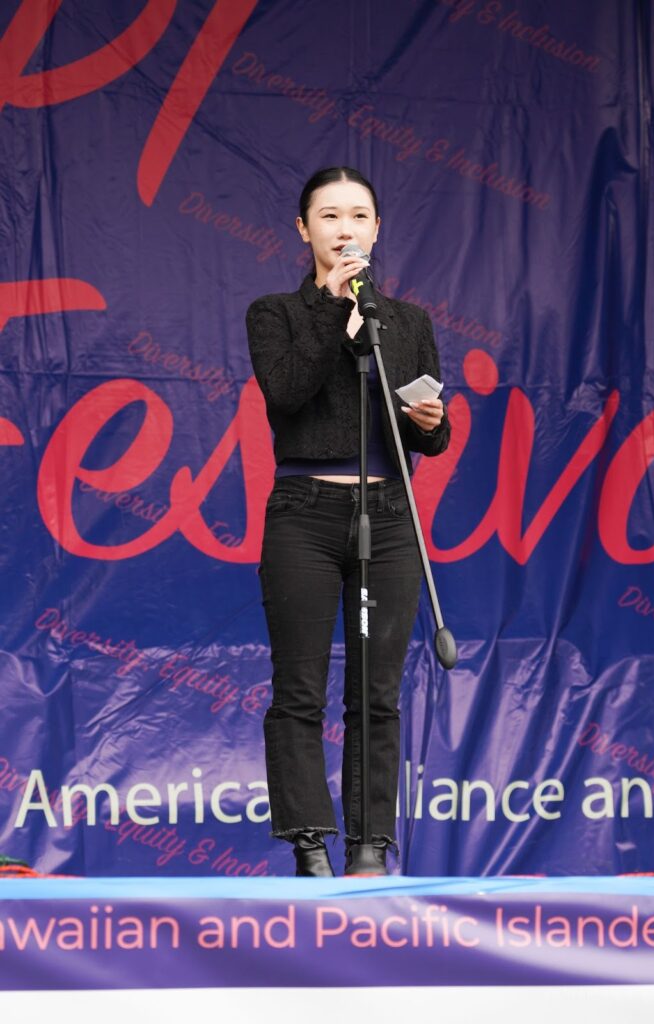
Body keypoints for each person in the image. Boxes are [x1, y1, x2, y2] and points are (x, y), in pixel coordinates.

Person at [246, 166, 450, 876]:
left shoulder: (409, 322)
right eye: (328, 217)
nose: (344, 229)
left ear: (376, 228)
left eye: (358, 216)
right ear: (304, 231)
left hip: (388, 512)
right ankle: (309, 845)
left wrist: (432, 420)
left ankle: (370, 846)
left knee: (376, 692)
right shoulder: (276, 313)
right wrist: (334, 312)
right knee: (298, 687)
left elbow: (426, 439)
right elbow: (289, 392)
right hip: (304, 511)